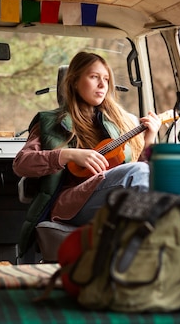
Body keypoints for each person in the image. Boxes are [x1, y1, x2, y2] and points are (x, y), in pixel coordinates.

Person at [13, 51, 162, 234]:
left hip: (113, 195)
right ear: (75, 82)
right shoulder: (50, 122)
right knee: (140, 174)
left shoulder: (120, 121)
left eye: (106, 79)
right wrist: (68, 154)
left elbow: (136, 177)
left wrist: (149, 139)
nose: (102, 85)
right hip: (72, 203)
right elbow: (21, 164)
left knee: (153, 174)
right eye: (94, 77)